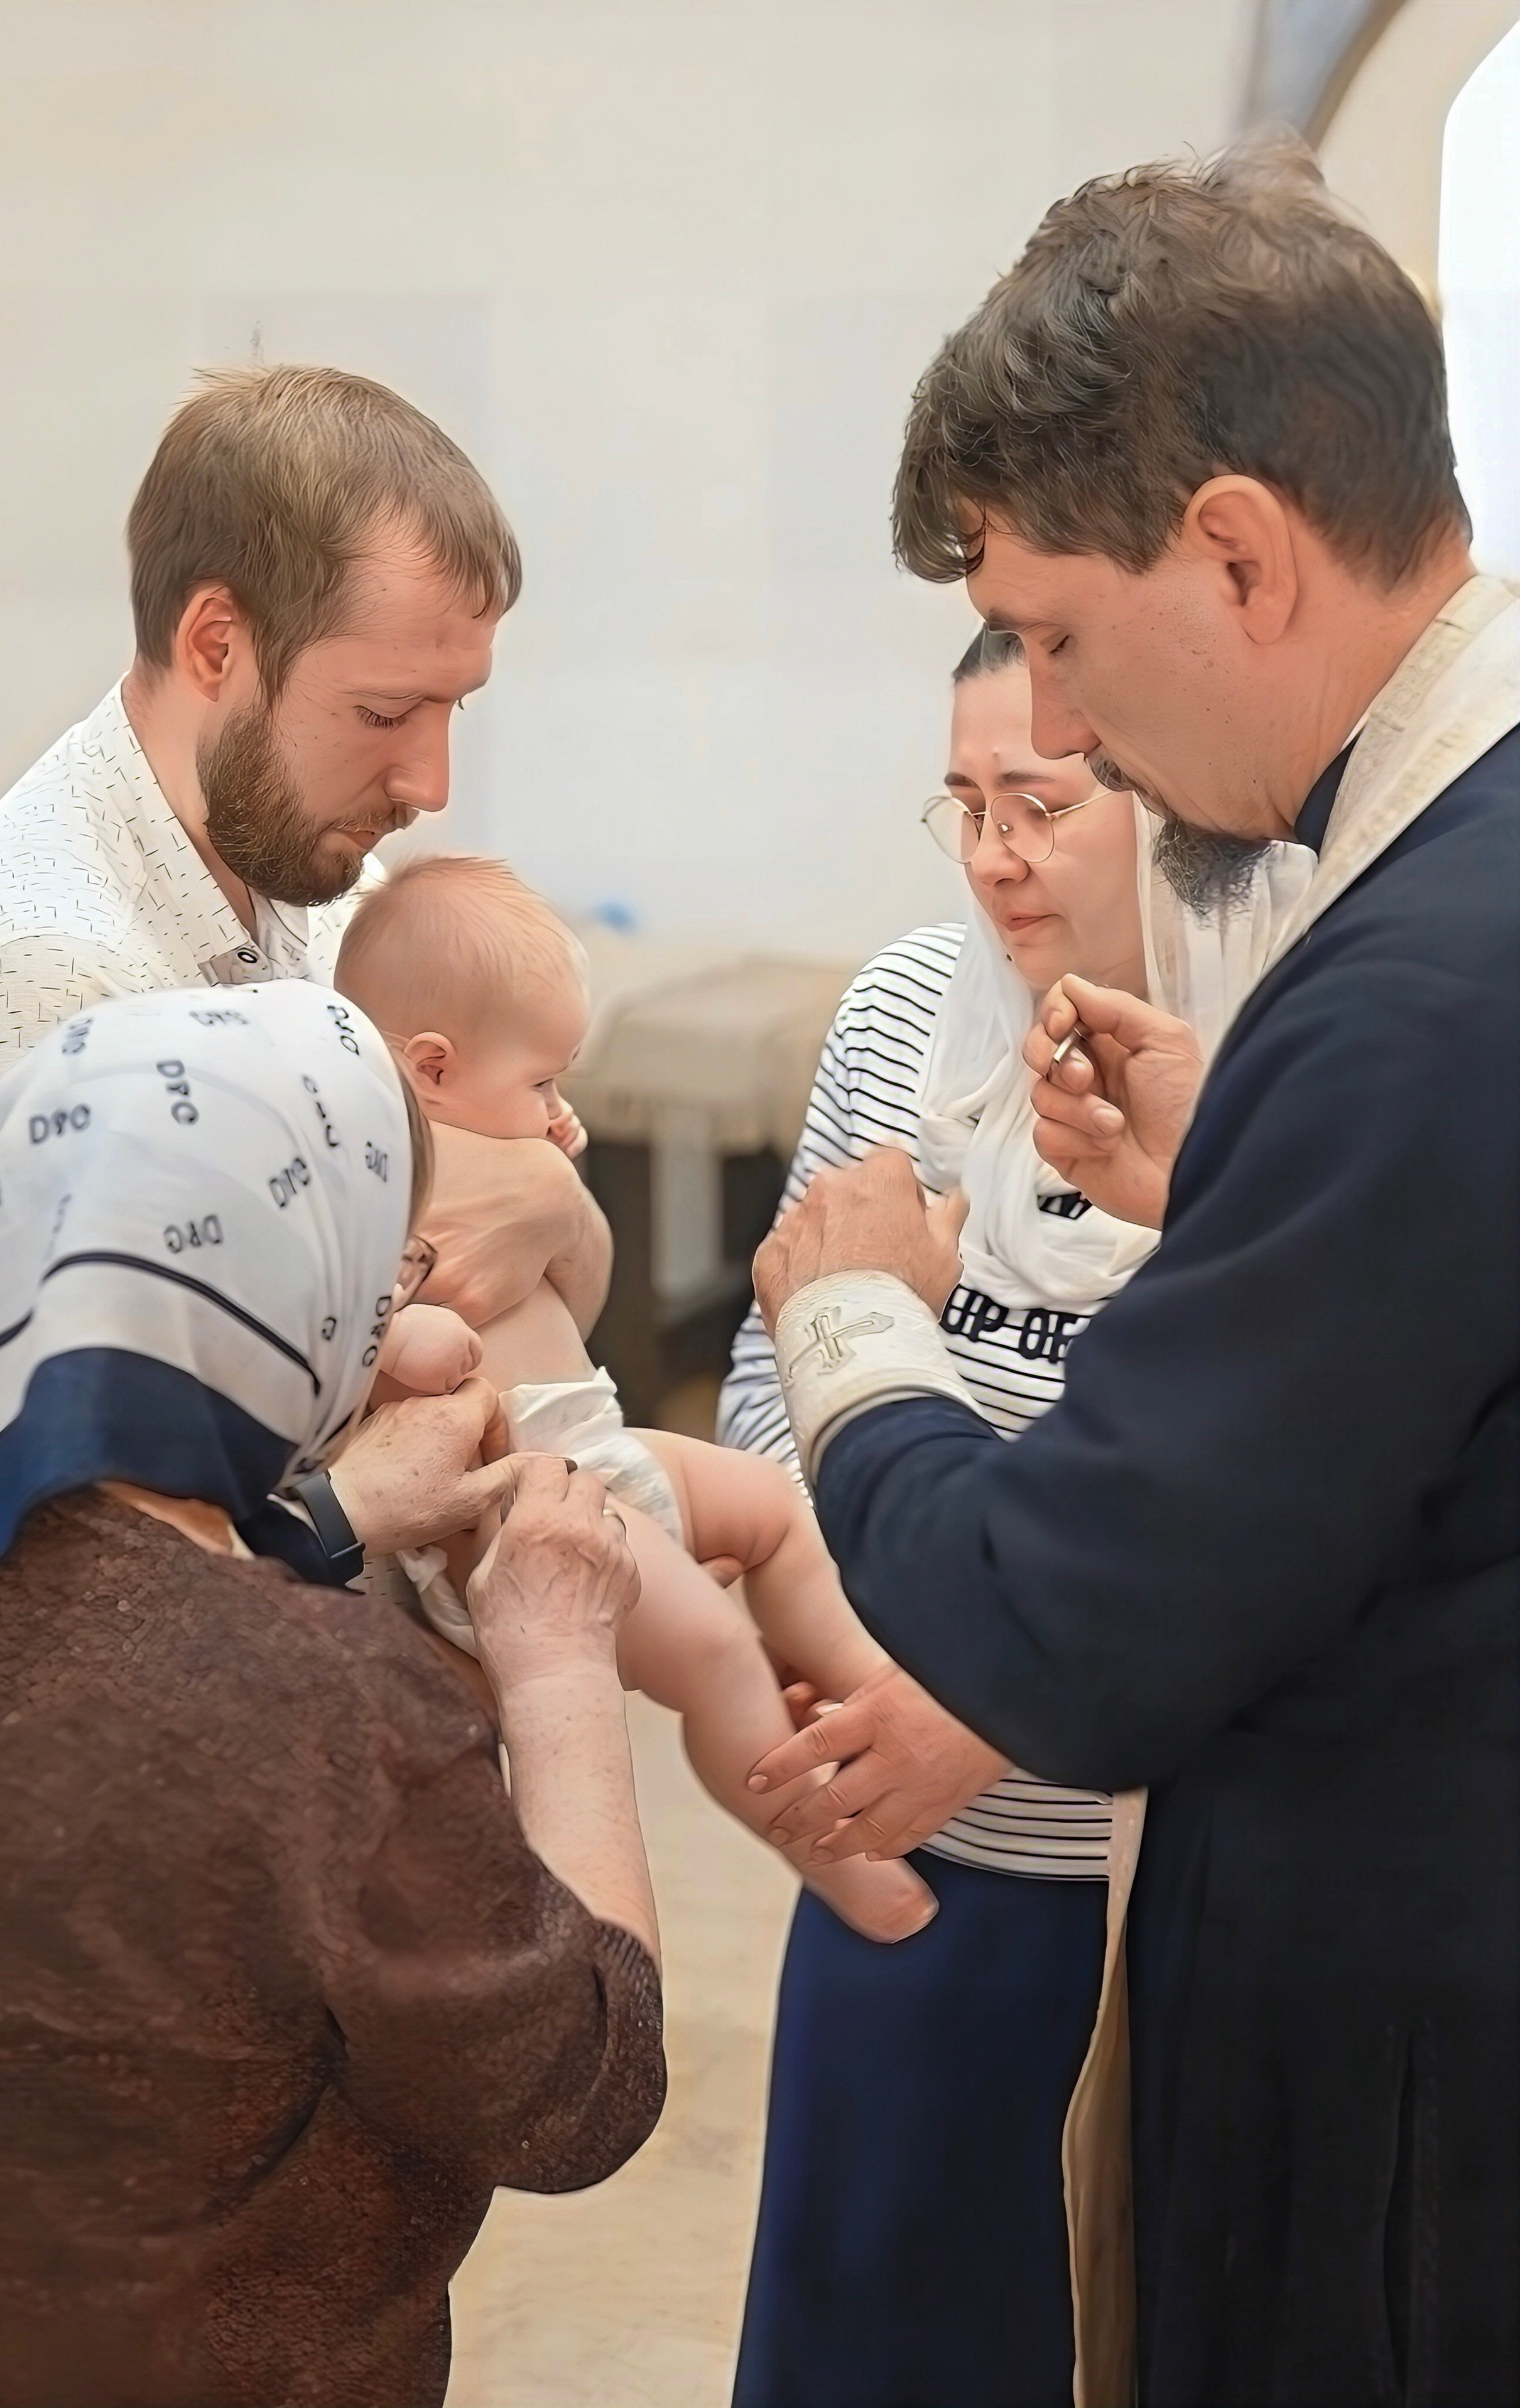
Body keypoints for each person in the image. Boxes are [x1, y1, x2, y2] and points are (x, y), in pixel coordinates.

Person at [745, 136, 1518, 2405]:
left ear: (1244, 553)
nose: (1058, 733)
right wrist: (1249, 1182)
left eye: (1064, 640)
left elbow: (1062, 1630)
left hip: (1409, 2119)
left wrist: (857, 1312)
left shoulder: (1419, 991)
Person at [0, 981, 665, 2408]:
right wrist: (561, 1664)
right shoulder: (332, 1712)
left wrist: (323, 1518)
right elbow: (578, 2087)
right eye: (386, 1263)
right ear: (289, 1286)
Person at [719, 627, 1309, 2408]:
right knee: (872, 2332)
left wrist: (994, 1697)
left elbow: (1279, 1522)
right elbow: (773, 1391)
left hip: (1147, 1886)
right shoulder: (908, 1007)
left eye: (1042, 803)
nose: (996, 854)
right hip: (907, 1861)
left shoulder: (1295, 1053)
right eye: (964, 804)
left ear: (1160, 803)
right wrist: (851, 1662)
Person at [0, 361, 612, 1582]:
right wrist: (352, 1510)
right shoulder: (51, 977)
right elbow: (33, 1604)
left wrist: (549, 1202)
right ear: (216, 643)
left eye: (455, 708)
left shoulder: (331, 877)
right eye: (386, 712)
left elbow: (557, 1284)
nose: (430, 783)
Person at [334, 852, 989, 1942]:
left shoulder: (482, 1146)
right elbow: (360, 1342)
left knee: (774, 1508)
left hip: (596, 1445)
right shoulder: (372, 1181)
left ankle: (874, 1686)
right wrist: (419, 1332)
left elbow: (570, 1301)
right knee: (720, 1660)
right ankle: (828, 1855)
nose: (559, 1106)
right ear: (433, 1067)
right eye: (541, 1082)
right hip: (523, 1515)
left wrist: (546, 1158)